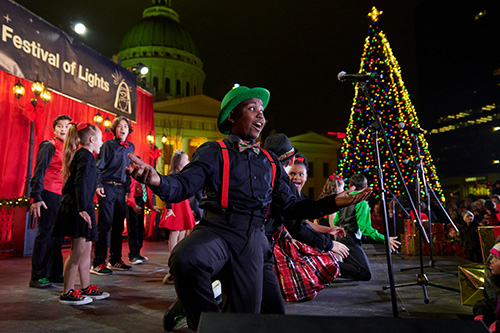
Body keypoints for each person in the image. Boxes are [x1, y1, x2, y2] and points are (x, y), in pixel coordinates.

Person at [125, 86, 371, 330]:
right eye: (252, 108)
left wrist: (331, 202)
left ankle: (223, 324)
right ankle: (207, 325)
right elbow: (182, 185)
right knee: (186, 258)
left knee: (245, 317)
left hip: (253, 238)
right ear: (232, 116)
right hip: (217, 229)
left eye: (262, 110)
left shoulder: (270, 162)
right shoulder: (213, 151)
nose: (261, 115)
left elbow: (293, 207)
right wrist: (156, 179)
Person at [52, 122, 109, 305]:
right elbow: (80, 183)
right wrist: (83, 209)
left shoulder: (85, 156)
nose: (101, 143)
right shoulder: (85, 156)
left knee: (86, 250)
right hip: (79, 207)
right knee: (77, 251)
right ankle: (67, 291)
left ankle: (86, 287)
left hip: (83, 206)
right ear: (92, 139)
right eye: (100, 139)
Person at [29, 115, 72, 289]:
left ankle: (55, 273)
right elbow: (38, 172)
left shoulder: (70, 149)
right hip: (48, 194)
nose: (63, 129)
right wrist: (36, 197)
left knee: (58, 236)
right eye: (59, 126)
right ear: (54, 129)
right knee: (45, 234)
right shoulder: (49, 146)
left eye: (67, 126)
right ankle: (38, 276)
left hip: (62, 196)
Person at [333, 173, 400, 281]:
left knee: (358, 270)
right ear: (365, 187)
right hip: (350, 239)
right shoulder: (362, 202)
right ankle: (327, 266)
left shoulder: (344, 198)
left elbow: (336, 221)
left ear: (350, 185)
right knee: (365, 273)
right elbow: (365, 228)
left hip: (342, 237)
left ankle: (331, 268)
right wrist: (385, 238)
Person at [92, 116, 135, 275]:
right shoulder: (107, 145)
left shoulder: (131, 147)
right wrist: (98, 185)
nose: (122, 128)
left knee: (118, 226)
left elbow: (129, 168)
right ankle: (98, 262)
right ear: (114, 129)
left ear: (129, 130)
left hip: (122, 189)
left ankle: (115, 259)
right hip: (108, 187)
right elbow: (98, 167)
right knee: (105, 225)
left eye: (125, 126)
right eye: (119, 126)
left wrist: (128, 189)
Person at [159, 150, 196, 254]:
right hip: (176, 205)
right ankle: (173, 256)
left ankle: (179, 254)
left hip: (184, 204)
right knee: (175, 231)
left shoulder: (185, 175)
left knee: (183, 230)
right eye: (186, 160)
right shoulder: (173, 176)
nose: (188, 162)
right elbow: (169, 193)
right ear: (178, 162)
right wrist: (169, 208)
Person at [126, 157, 160, 265]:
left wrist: (151, 206)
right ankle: (132, 255)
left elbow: (145, 193)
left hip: (140, 201)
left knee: (140, 228)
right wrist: (133, 204)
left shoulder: (142, 177)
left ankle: (137, 252)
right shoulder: (130, 177)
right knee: (133, 229)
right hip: (132, 203)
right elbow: (129, 193)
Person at [474, 241, 500, 330]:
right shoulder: (494, 282)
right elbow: (488, 302)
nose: (491, 261)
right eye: (492, 257)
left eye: (496, 258)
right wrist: (480, 313)